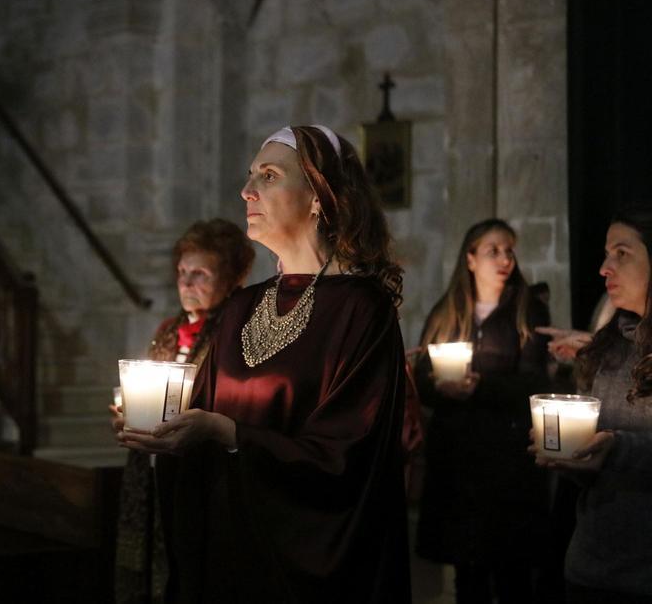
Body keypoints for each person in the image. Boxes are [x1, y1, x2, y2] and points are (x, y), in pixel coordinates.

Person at [114, 125, 411, 603]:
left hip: (300, 567)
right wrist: (165, 433)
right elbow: (201, 422)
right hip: (228, 552)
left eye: (269, 176)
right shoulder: (240, 308)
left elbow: (347, 458)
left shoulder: (361, 309)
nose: (246, 190)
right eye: (251, 175)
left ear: (319, 197)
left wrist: (225, 433)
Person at [114, 218, 254, 604]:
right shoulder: (169, 328)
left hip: (201, 470)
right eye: (181, 272)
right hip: (152, 466)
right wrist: (127, 411)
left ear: (230, 279)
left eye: (200, 274)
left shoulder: (236, 330)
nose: (186, 283)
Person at [413, 218, 552, 603]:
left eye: (509, 250)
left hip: (506, 460)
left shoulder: (527, 310)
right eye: (493, 250)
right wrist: (439, 388)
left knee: (512, 575)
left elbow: (535, 382)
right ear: (470, 259)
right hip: (457, 460)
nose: (505, 258)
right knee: (467, 574)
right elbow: (422, 377)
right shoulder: (447, 312)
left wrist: (479, 388)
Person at [532, 203, 652, 604]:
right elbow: (596, 460)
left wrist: (616, 448)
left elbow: (617, 449)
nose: (604, 267)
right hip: (593, 567)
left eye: (622, 253)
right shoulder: (614, 344)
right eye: (605, 253)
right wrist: (572, 456)